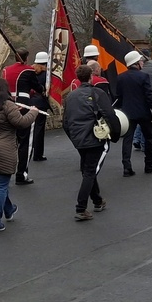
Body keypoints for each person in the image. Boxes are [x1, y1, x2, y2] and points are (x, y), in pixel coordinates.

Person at [0, 79, 38, 232]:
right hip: (3, 150)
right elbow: (21, 123)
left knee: (0, 184)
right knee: (0, 187)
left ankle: (9, 209)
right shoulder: (8, 105)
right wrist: (33, 112)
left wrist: (14, 110)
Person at [63, 65, 113, 221]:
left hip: (78, 138)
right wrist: (115, 134)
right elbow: (109, 114)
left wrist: (74, 138)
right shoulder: (97, 93)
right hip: (95, 137)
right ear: (91, 76)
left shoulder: (70, 97)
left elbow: (65, 121)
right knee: (90, 172)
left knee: (87, 169)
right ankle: (81, 208)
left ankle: (97, 200)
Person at [117, 50, 152, 176]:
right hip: (144, 112)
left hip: (127, 113)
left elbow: (118, 96)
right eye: (141, 61)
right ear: (136, 63)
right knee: (149, 138)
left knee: (127, 140)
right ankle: (149, 164)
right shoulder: (143, 76)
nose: (142, 63)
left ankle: (127, 167)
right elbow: (149, 95)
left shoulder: (121, 77)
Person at [13, 51, 51, 183]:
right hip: (32, 104)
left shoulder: (25, 70)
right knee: (32, 134)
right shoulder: (36, 73)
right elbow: (40, 88)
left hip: (16, 104)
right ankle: (34, 157)